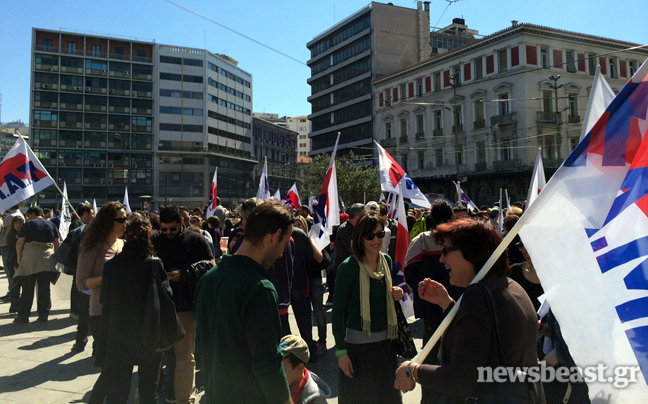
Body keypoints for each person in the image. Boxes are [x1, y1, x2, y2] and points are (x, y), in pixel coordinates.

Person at [394, 218, 540, 403]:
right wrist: (448, 304)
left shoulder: (478, 295)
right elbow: (481, 336)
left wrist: (411, 371)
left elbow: (460, 380)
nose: (441, 259)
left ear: (471, 253)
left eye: (446, 251)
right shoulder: (507, 286)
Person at [195, 200, 295, 404]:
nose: (282, 252)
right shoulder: (260, 288)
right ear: (274, 236)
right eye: (284, 244)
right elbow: (268, 366)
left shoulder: (208, 278)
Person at [93, 214, 165, 403]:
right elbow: (165, 299)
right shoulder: (154, 264)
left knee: (117, 393)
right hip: (148, 332)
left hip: (118, 333)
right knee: (149, 392)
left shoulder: (111, 266)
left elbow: (104, 298)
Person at [332, 213, 404, 404]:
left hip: (386, 347)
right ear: (360, 238)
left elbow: (384, 296)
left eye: (380, 234)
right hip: (357, 350)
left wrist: (395, 293)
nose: (376, 240)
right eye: (370, 236)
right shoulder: (348, 268)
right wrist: (341, 352)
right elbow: (337, 313)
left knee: (387, 398)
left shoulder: (386, 262)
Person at [152, 205, 215, 404]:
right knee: (154, 357)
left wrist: (185, 274)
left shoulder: (196, 239)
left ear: (181, 223)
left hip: (185, 306)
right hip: (159, 306)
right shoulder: (154, 240)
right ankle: (151, 395)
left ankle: (185, 399)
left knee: (185, 358)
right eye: (164, 229)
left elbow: (212, 265)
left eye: (172, 228)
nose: (168, 233)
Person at [76, 202, 127, 403]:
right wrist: (107, 276)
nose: (125, 223)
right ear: (107, 222)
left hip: (126, 312)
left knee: (122, 366)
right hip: (101, 313)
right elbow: (80, 284)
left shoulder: (123, 244)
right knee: (112, 366)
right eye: (121, 219)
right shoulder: (91, 248)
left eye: (126, 218)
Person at [13, 206, 61, 323]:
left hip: (30, 258)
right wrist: (55, 257)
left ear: (32, 214)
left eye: (28, 215)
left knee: (27, 288)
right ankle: (43, 314)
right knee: (44, 288)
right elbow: (57, 242)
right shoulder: (51, 224)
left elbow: (20, 242)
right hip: (47, 258)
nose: (28, 217)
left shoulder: (28, 224)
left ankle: (23, 316)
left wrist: (19, 256)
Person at [326, 203, 365, 306]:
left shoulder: (357, 229)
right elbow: (353, 249)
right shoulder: (344, 229)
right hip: (344, 271)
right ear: (357, 217)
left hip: (356, 270)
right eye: (364, 216)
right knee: (345, 303)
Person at [280, 334, 331, 404]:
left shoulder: (316, 400)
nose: (275, 372)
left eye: (282, 368)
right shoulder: (277, 384)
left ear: (299, 368)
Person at [69, 202, 95, 321]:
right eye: (92, 213)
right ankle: (75, 311)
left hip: (80, 261)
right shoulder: (77, 224)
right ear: (85, 213)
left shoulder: (83, 224)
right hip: (77, 261)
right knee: (77, 287)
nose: (93, 216)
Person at [0, 204, 24, 301]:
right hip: (8, 246)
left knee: (10, 271)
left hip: (8, 247)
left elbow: (1, 224)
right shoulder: (16, 215)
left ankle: (13, 294)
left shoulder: (12, 216)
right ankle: (12, 292)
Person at [6, 215, 25, 313]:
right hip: (14, 261)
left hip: (24, 262)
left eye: (20, 223)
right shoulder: (11, 235)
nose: (18, 225)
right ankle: (14, 305)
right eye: (16, 223)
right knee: (15, 285)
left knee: (24, 284)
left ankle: (21, 305)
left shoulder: (26, 233)